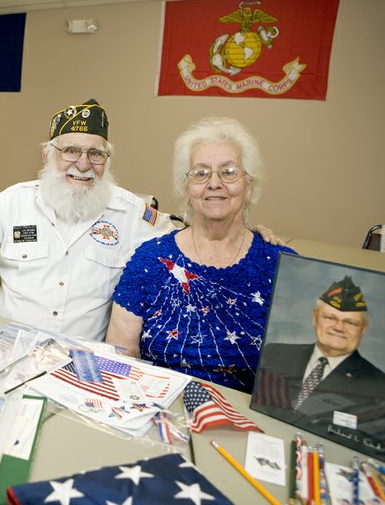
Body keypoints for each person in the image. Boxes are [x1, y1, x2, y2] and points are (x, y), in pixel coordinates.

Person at [0, 102, 280, 341]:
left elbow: (199, 235)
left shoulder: (133, 213)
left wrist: (249, 236)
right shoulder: (13, 203)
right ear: (48, 154)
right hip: (9, 351)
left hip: (86, 365)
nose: (82, 164)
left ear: (107, 160)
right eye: (70, 150)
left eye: (95, 153)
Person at [107, 117, 295, 393]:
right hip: (157, 411)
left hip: (245, 422)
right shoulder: (150, 260)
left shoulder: (280, 265)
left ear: (250, 185)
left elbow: (295, 376)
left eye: (229, 172)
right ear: (186, 188)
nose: (214, 183)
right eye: (201, 173)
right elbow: (121, 354)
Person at [252, 275, 385, 463]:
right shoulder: (275, 354)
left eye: (350, 322)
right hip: (263, 445)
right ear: (314, 317)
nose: (338, 327)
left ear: (364, 329)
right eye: (330, 317)